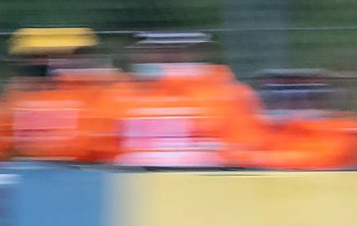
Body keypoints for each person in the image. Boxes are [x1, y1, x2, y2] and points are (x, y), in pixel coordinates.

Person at [0, 27, 125, 164]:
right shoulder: (20, 98)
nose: (43, 62)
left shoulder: (108, 91)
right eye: (35, 56)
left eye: (51, 56)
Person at [108, 31, 265, 168]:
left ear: (200, 52)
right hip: (132, 183)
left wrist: (213, 155)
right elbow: (105, 148)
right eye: (160, 49)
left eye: (180, 49)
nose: (170, 56)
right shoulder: (121, 95)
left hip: (211, 180)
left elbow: (246, 145)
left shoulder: (230, 94)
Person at [249, 70, 357, 170]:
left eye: (310, 96)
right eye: (279, 96)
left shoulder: (346, 126)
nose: (293, 102)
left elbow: (321, 161)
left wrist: (253, 158)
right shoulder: (260, 125)